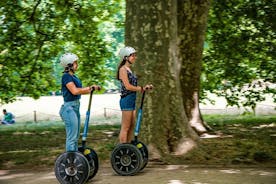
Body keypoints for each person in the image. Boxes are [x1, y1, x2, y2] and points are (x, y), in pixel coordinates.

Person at [59, 53, 100, 152]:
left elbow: (80, 90)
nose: (77, 64)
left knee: (76, 137)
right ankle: (70, 163)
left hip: (75, 106)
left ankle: (76, 159)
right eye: (75, 63)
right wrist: (90, 88)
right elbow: (75, 91)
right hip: (69, 109)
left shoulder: (74, 77)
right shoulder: (66, 76)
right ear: (69, 65)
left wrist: (91, 89)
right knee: (72, 137)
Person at [116, 46, 152, 143]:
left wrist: (144, 88)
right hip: (126, 99)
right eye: (132, 56)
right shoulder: (122, 70)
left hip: (132, 99)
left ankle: (129, 147)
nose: (135, 57)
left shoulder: (129, 69)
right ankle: (122, 149)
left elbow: (133, 86)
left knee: (132, 125)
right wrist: (141, 89)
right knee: (126, 127)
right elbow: (127, 86)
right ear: (125, 57)